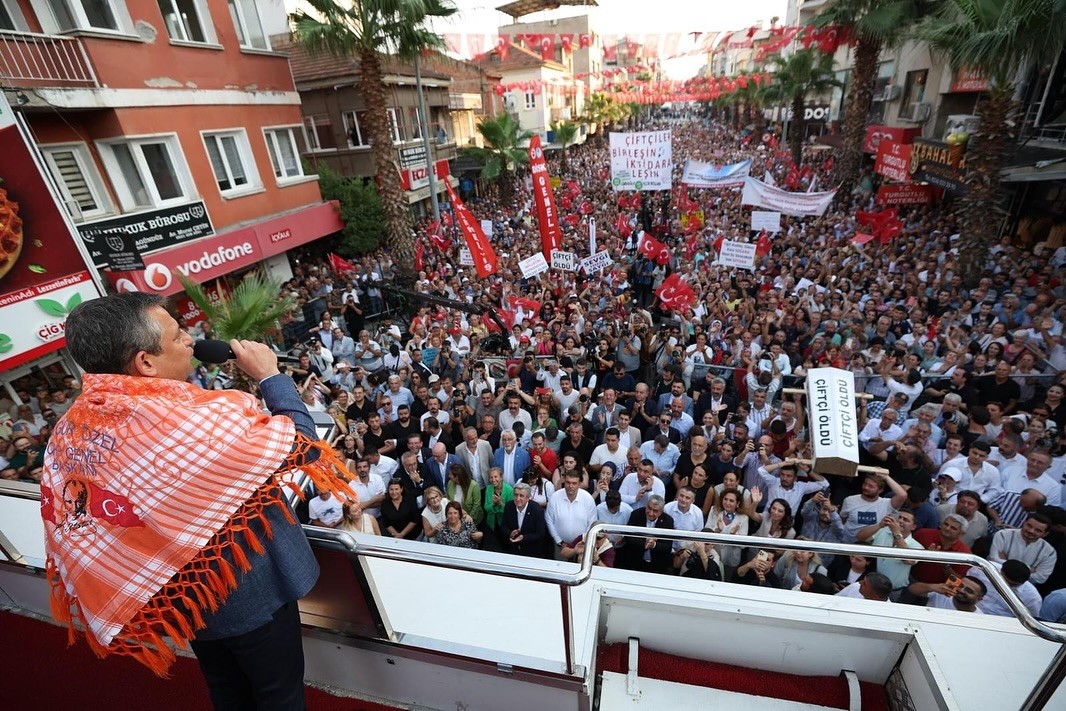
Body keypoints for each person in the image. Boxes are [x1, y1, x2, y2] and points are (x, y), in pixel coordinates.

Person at [41, 293, 352, 706]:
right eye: (177, 334)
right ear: (145, 363)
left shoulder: (70, 432)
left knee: (227, 690)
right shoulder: (189, 422)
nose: (191, 339)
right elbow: (302, 444)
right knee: (280, 693)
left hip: (186, 598)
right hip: (252, 591)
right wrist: (270, 377)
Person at [988, 512, 1057, 585]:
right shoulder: (1003, 535)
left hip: (1022, 587)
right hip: (994, 578)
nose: (1031, 531)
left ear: (1045, 534)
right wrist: (1028, 569)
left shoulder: (1050, 552)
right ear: (1024, 523)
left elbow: (1041, 578)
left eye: (1038, 530)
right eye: (1029, 526)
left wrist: (1006, 562)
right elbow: (994, 560)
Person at [546, 470, 598, 559]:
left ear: (579, 484)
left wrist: (583, 541)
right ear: (564, 482)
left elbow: (592, 523)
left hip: (582, 546)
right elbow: (549, 520)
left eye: (574, 483)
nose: (571, 486)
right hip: (560, 546)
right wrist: (559, 541)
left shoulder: (588, 499)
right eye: (568, 482)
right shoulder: (555, 497)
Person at [617, 495, 675, 574]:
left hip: (657, 565)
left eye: (655, 511)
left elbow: (667, 546)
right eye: (649, 508)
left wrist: (654, 545)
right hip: (635, 562)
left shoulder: (668, 521)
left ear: (661, 511)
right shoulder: (636, 514)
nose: (651, 513)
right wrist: (645, 542)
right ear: (646, 505)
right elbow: (628, 537)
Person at [501, 482, 548, 557]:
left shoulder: (537, 511)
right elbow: (503, 526)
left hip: (531, 551)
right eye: (516, 495)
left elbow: (540, 534)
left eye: (521, 496)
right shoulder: (509, 506)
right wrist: (510, 533)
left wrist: (524, 537)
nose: (517, 498)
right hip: (512, 550)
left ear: (528, 497)